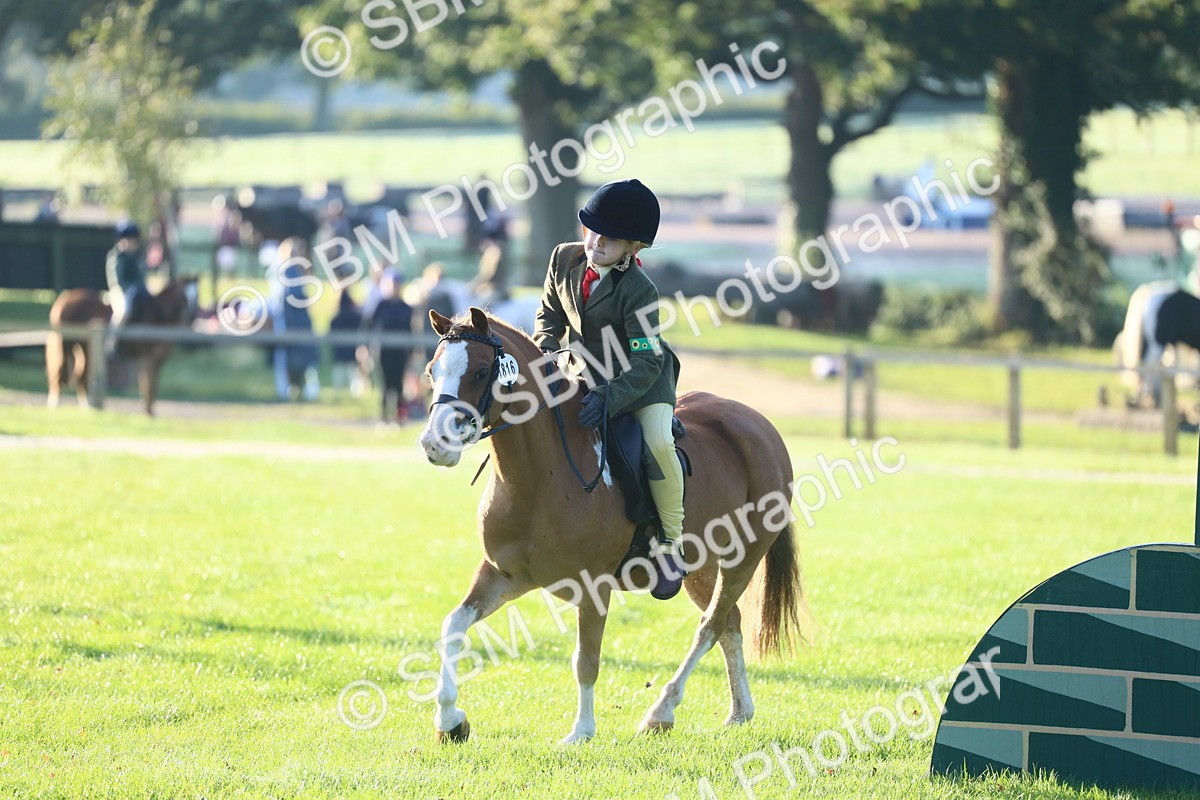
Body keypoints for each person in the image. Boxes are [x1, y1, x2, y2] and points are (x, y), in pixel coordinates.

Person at [532, 178, 686, 600]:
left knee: (657, 444)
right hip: (581, 375)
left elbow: (647, 358)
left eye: (610, 238)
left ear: (633, 247)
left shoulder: (640, 290)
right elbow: (549, 314)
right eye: (593, 230)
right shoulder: (563, 258)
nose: (596, 241)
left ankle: (671, 544)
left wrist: (609, 395)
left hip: (640, 382)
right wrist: (546, 349)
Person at [368, 271, 414, 423]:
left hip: (400, 352)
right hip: (383, 350)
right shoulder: (381, 305)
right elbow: (369, 326)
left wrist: (412, 351)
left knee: (398, 385)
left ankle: (399, 417)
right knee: (385, 384)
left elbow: (410, 330)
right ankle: (384, 417)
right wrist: (365, 346)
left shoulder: (405, 307)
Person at [105, 219, 147, 355]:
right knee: (123, 312)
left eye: (132, 240)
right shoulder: (116, 257)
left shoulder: (138, 257)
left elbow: (142, 277)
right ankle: (110, 344)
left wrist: (140, 288)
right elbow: (117, 281)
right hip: (118, 291)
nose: (129, 243)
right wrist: (131, 288)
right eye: (126, 239)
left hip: (137, 290)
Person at [329, 289, 365, 397]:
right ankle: (356, 395)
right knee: (353, 374)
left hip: (339, 351)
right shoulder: (356, 318)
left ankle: (337, 394)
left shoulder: (335, 319)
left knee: (339, 374)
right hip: (351, 351)